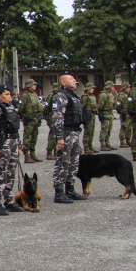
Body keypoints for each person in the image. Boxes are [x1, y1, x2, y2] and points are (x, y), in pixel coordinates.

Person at [0, 85, 25, 215]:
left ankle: (9, 201)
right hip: (3, 143)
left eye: (10, 94)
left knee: (11, 173)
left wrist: (19, 145)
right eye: (6, 94)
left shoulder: (11, 107)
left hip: (13, 141)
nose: (10, 97)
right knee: (1, 173)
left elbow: (15, 128)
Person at [50, 73, 87, 203]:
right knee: (62, 163)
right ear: (63, 82)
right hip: (66, 132)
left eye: (74, 78)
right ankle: (59, 193)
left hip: (75, 132)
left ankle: (70, 189)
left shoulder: (74, 96)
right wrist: (60, 137)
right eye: (71, 79)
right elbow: (57, 116)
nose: (74, 80)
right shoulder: (60, 96)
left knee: (73, 162)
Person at [17, 79, 44, 163]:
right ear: (29, 86)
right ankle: (26, 156)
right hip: (29, 119)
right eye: (33, 84)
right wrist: (22, 116)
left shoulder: (35, 94)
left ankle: (33, 154)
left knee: (34, 137)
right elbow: (21, 108)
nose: (35, 86)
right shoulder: (25, 95)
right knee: (27, 137)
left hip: (36, 119)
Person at [97, 81, 117, 151]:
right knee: (104, 130)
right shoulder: (103, 94)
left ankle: (107, 143)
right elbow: (100, 105)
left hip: (110, 113)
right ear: (108, 87)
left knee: (109, 130)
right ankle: (103, 145)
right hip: (105, 113)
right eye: (112, 86)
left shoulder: (110, 94)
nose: (114, 87)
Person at [81, 83, 99, 154]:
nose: (93, 89)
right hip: (87, 115)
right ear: (88, 89)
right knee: (87, 132)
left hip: (92, 115)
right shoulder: (85, 97)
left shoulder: (92, 96)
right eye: (92, 88)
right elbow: (82, 106)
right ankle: (86, 147)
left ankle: (90, 146)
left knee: (92, 132)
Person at [43, 81, 59, 160]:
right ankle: (50, 152)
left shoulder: (50, 96)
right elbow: (47, 107)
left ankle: (56, 152)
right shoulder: (52, 96)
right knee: (53, 135)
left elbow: (46, 107)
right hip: (53, 117)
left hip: (54, 116)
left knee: (57, 135)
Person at [117, 84, 133, 148]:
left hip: (129, 113)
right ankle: (122, 142)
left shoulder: (129, 95)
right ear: (124, 88)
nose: (129, 89)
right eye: (128, 88)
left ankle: (128, 140)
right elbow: (118, 104)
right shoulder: (121, 95)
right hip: (124, 113)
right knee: (124, 128)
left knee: (129, 128)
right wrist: (121, 111)